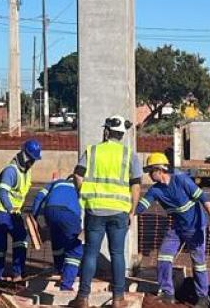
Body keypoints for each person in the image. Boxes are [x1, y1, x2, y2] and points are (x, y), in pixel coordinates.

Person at [70, 116, 143, 308]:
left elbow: (77, 174)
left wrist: (83, 194)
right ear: (122, 135)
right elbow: (136, 186)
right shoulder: (130, 155)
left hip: (95, 210)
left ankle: (83, 298)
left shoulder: (93, 151)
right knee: (117, 254)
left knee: (91, 253)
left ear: (107, 131)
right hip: (120, 211)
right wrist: (132, 211)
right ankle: (118, 299)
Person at [136, 152, 210, 308]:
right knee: (164, 257)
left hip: (195, 227)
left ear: (160, 169)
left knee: (199, 263)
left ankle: (203, 297)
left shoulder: (181, 180)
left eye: (150, 171)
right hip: (177, 229)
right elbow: (141, 206)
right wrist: (128, 213)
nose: (149, 175)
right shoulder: (155, 190)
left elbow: (203, 198)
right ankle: (167, 293)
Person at [0, 139, 42, 284]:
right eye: (31, 159)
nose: (32, 163)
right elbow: (3, 193)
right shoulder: (11, 171)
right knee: (0, 244)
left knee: (21, 238)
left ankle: (18, 273)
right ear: (24, 156)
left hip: (12, 211)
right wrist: (10, 209)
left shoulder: (26, 171)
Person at [31, 174, 83, 291]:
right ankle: (66, 285)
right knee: (75, 250)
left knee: (57, 241)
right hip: (69, 213)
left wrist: (34, 219)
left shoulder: (55, 183)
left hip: (50, 211)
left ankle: (59, 269)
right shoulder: (79, 186)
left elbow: (39, 196)